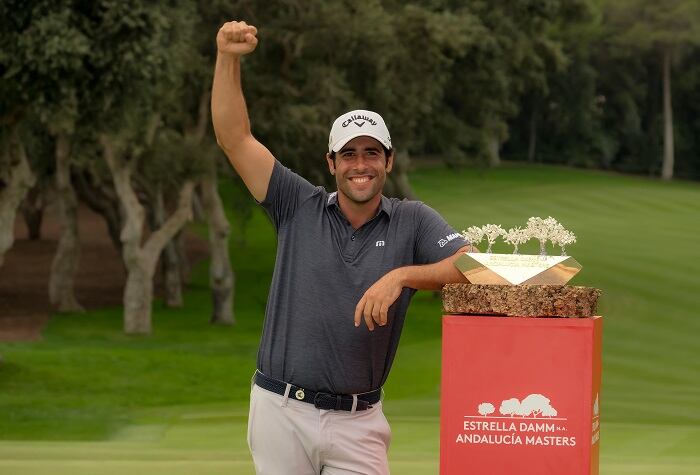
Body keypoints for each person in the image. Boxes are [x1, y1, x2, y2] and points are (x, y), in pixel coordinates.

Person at [211, 20, 470, 475]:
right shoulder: (297, 204)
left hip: (359, 422)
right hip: (280, 411)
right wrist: (228, 58)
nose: (360, 165)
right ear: (331, 163)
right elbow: (236, 138)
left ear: (389, 160)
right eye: (348, 154)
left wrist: (402, 275)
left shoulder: (412, 219)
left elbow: (472, 265)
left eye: (372, 152)